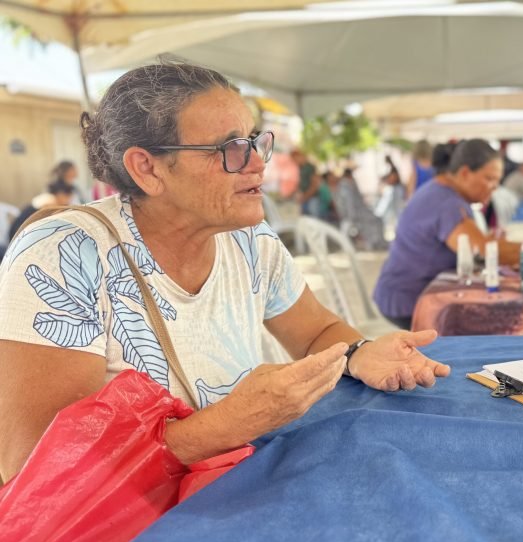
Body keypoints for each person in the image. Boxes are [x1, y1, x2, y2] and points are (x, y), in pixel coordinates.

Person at [0, 62, 450, 485]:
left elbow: (316, 332)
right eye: (230, 148)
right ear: (147, 168)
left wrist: (358, 352)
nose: (258, 161)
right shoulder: (64, 254)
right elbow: (38, 465)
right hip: (130, 536)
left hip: (234, 486)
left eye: (255, 140)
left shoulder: (247, 239)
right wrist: (224, 426)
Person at [373, 139, 523, 330]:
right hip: (406, 300)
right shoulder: (447, 203)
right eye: (489, 179)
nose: (494, 187)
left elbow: (482, 244)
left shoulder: (442, 192)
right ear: (465, 173)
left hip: (399, 292)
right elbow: (482, 252)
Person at [8, 180, 76, 243]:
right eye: (68, 197)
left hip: (23, 232)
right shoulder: (50, 201)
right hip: (19, 233)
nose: (69, 201)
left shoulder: (49, 198)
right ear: (60, 194)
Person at [291, 149, 322, 218]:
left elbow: (315, 185)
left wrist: (304, 197)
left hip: (312, 199)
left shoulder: (310, 167)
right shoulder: (300, 168)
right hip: (304, 199)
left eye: (295, 159)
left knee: (314, 221)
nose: (295, 161)